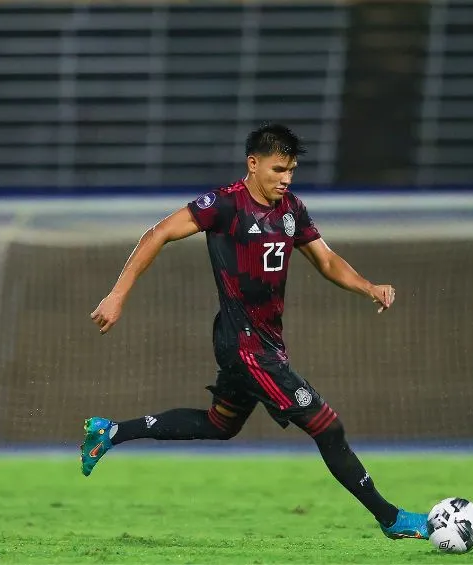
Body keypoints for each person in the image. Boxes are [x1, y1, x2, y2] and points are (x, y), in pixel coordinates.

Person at [80, 123, 430, 540]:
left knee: (219, 424)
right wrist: (117, 295)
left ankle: (112, 432)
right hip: (245, 346)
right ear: (254, 164)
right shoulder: (224, 205)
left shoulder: (291, 210)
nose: (286, 178)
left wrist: (368, 286)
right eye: (279, 168)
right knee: (327, 426)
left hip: (265, 343)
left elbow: (327, 260)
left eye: (292, 170)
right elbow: (157, 234)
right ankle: (391, 519)